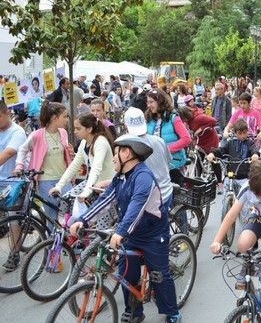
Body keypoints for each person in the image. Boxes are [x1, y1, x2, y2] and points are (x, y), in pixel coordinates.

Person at [69, 135, 182, 323]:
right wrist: (83, 220)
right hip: (132, 233)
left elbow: (136, 208)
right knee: (126, 273)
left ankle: (173, 313)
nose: (113, 158)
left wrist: (121, 231)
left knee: (160, 275)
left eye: (115, 154)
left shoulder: (143, 177)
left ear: (127, 154)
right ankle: (134, 312)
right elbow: (105, 199)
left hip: (153, 234)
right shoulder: (121, 177)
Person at [210, 160, 261, 323]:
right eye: (255, 193)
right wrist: (217, 241)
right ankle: (249, 265)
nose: (257, 196)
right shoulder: (247, 187)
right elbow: (231, 215)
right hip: (259, 220)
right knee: (242, 244)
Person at [14, 102, 72, 229]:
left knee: (70, 213)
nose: (67, 120)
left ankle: (69, 244)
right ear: (54, 118)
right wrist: (19, 167)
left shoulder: (63, 133)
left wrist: (70, 152)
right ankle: (51, 245)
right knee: (51, 216)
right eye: (65, 116)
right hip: (45, 181)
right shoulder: (37, 135)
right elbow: (22, 149)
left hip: (64, 179)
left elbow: (66, 152)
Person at [48, 112, 114, 202]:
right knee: (66, 201)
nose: (75, 132)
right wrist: (59, 186)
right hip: (92, 183)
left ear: (89, 129)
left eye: (78, 129)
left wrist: (86, 191)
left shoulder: (100, 142)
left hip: (105, 187)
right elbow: (74, 166)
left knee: (89, 214)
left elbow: (96, 169)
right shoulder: (84, 143)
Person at [0, 100, 27, 271]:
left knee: (14, 218)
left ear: (7, 113)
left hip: (12, 181)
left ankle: (14, 252)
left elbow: (9, 152)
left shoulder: (17, 132)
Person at [145, 89, 191, 170]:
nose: (149, 105)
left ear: (160, 101)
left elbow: (186, 138)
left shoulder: (173, 118)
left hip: (173, 165)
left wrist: (166, 150)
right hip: (156, 165)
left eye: (151, 102)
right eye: (148, 102)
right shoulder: (149, 120)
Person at [207, 119, 259, 185]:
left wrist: (255, 155)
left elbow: (254, 150)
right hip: (230, 177)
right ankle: (220, 183)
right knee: (225, 192)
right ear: (235, 133)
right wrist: (212, 153)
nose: (243, 135)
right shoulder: (230, 143)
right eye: (240, 133)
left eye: (244, 133)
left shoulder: (249, 143)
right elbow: (221, 150)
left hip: (245, 178)